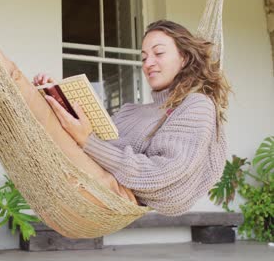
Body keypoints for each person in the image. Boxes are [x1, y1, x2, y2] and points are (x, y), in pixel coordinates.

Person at [33, 20, 230, 216]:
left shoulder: (196, 105)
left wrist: (88, 141)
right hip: (76, 178)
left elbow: (163, 175)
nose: (148, 64)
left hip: (98, 193)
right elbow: (96, 145)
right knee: (35, 107)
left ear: (184, 58)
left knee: (17, 84)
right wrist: (58, 97)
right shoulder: (130, 111)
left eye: (159, 53)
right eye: (144, 58)